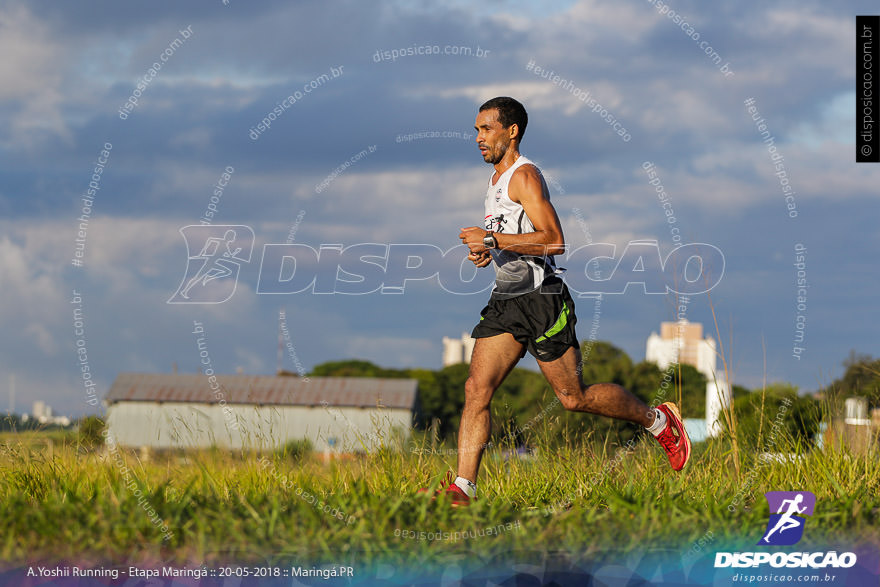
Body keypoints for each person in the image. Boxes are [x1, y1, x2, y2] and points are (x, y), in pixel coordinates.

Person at [431, 97, 690, 506]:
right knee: (476, 389)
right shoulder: (496, 182)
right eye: (476, 130)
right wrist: (489, 252)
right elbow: (515, 238)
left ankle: (658, 421)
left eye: (486, 129)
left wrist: (493, 239)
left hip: (542, 300)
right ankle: (463, 489)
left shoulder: (525, 176)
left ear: (511, 131)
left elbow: (555, 241)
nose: (478, 138)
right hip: (506, 301)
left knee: (573, 398)